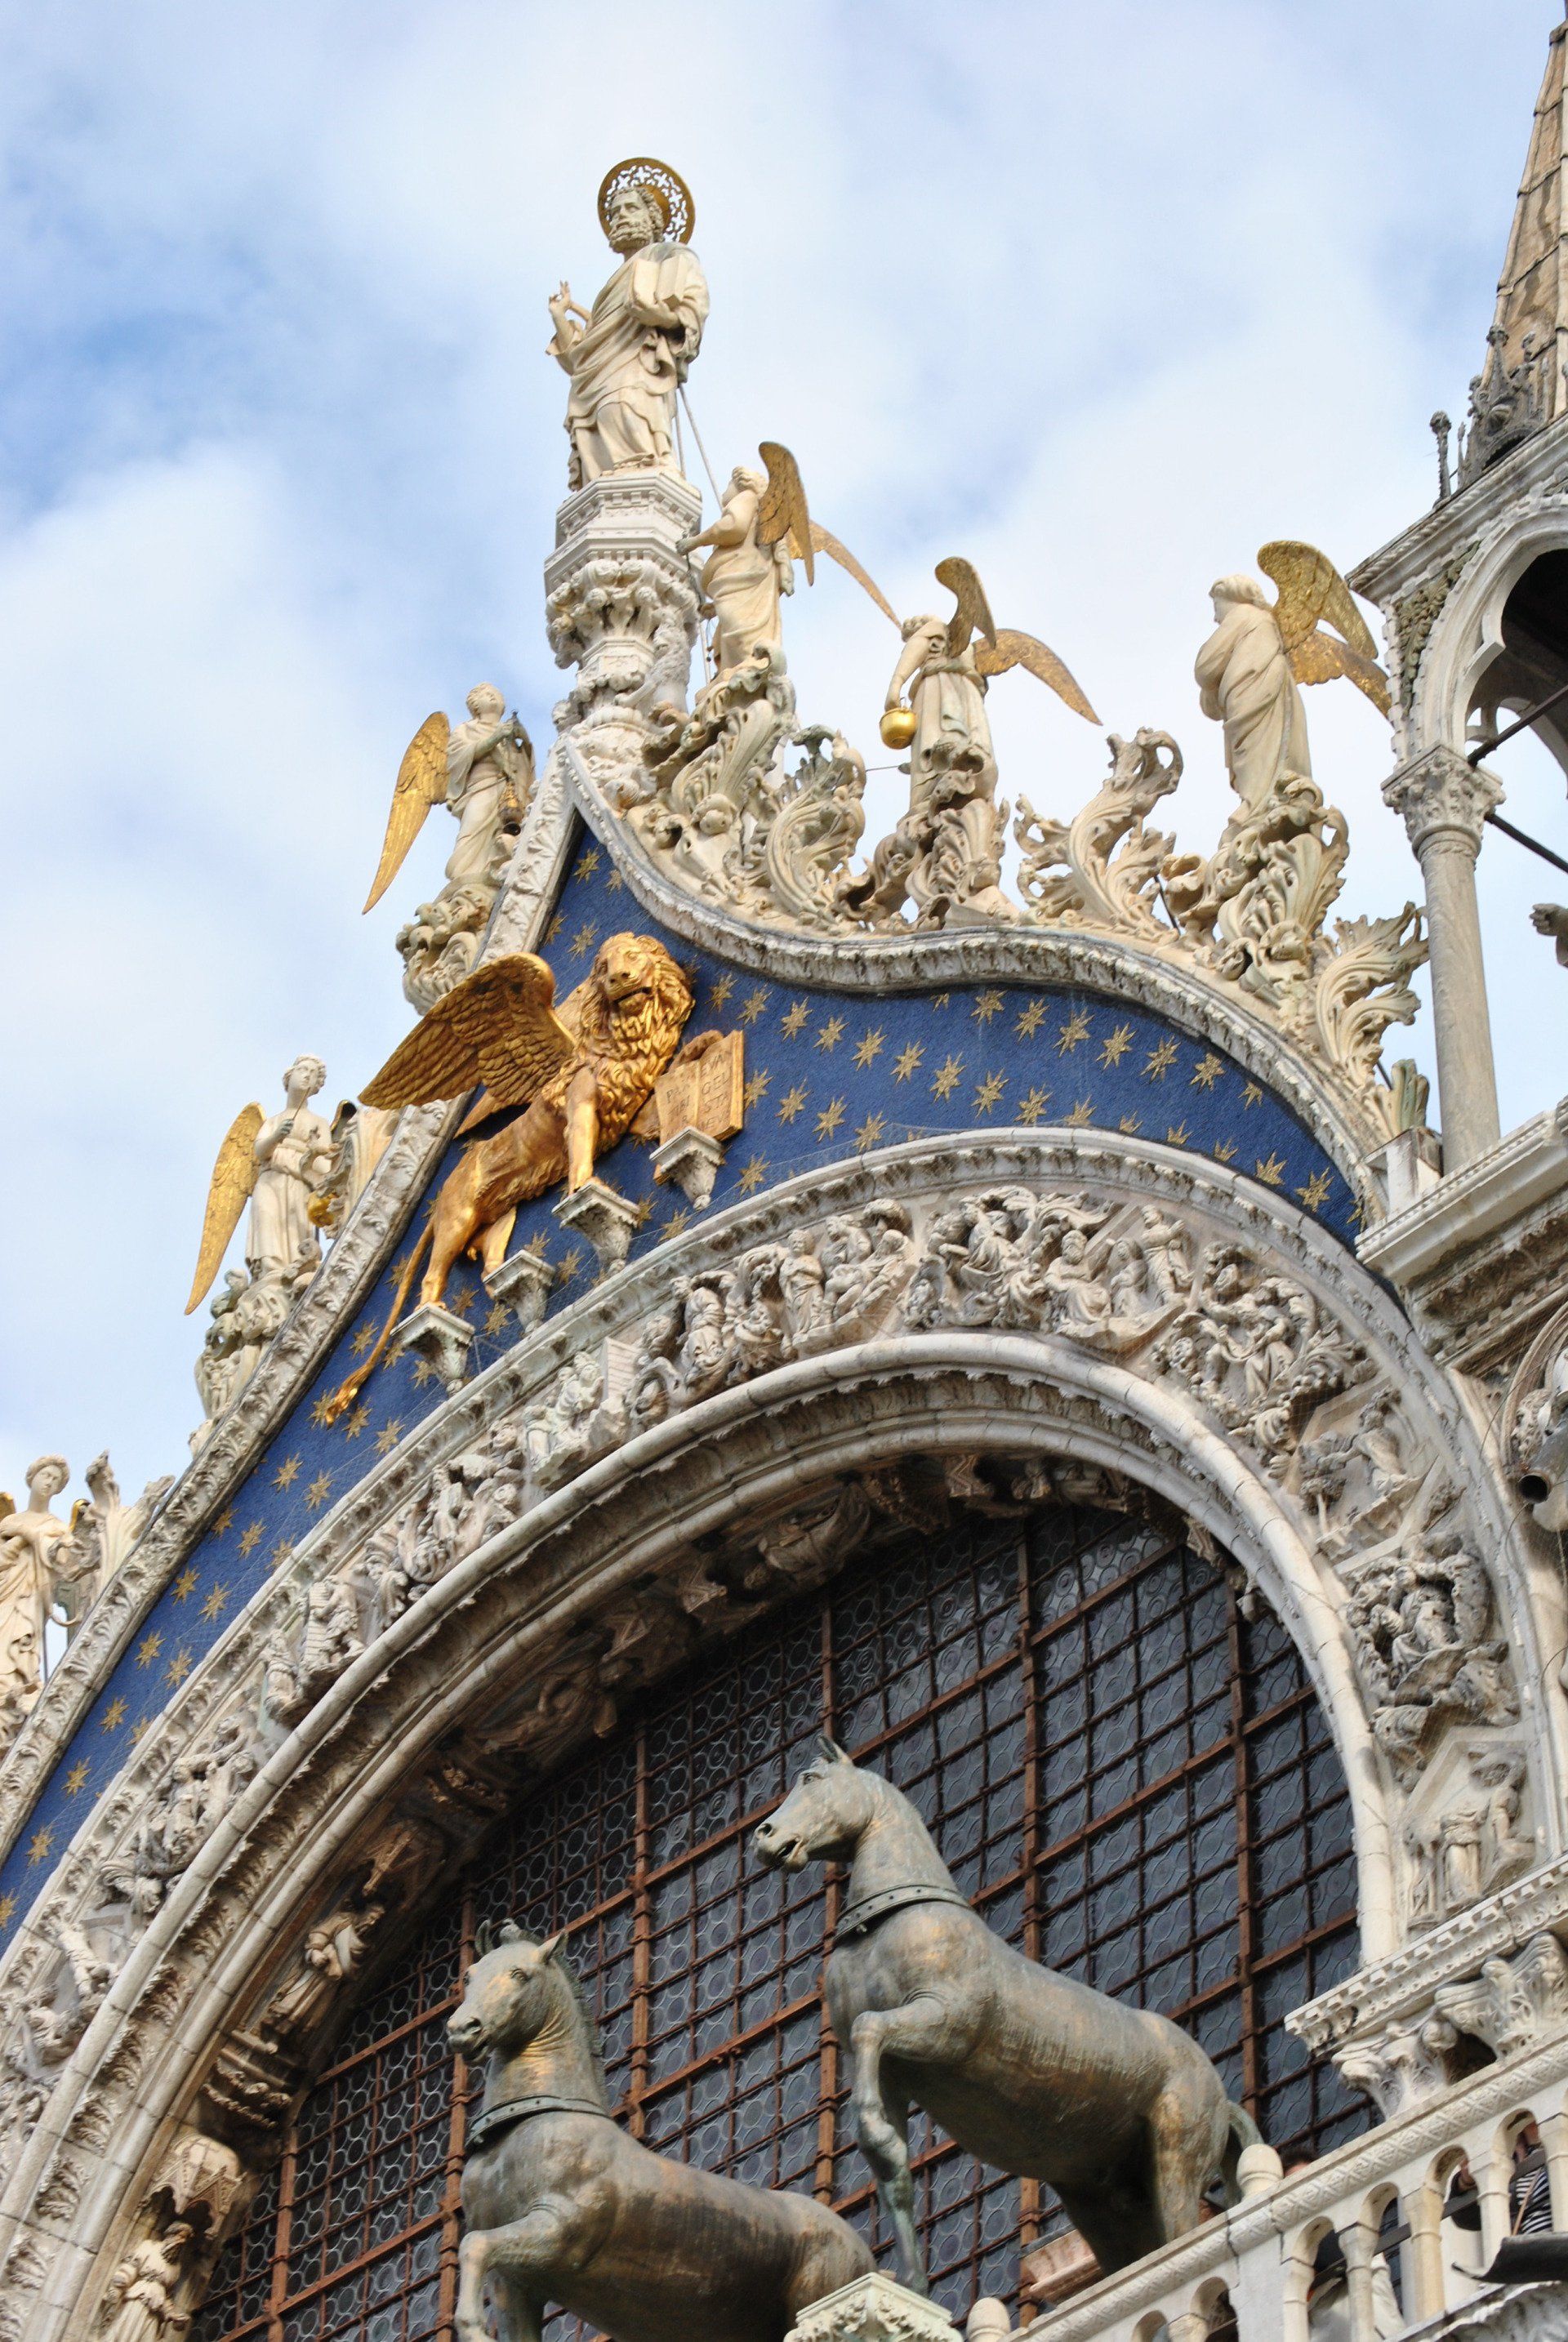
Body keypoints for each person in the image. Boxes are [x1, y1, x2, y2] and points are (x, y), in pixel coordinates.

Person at [549, 176, 708, 486]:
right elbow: (579, 360)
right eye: (615, 212)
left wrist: (659, 315)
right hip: (593, 381)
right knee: (596, 429)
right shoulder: (608, 292)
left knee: (625, 407)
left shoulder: (671, 256)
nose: (621, 216)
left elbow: (693, 306)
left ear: (653, 219)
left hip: (638, 362)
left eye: (631, 208)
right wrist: (559, 317)